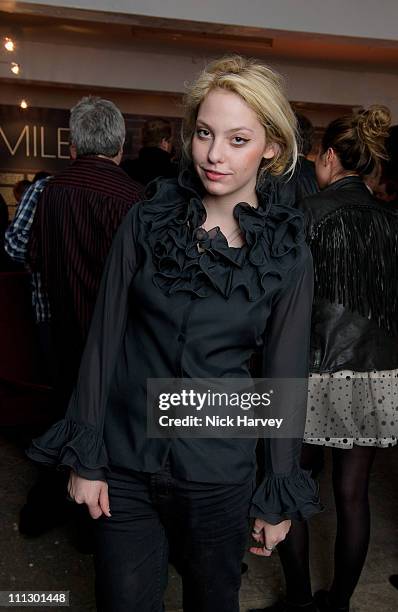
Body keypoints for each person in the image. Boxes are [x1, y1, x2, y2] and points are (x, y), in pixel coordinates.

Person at [28, 56, 321, 612]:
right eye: (205, 134)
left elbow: (285, 376)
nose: (215, 154)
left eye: (238, 139)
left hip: (218, 474)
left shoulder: (287, 255)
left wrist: (277, 493)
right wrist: (86, 455)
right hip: (125, 464)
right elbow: (104, 339)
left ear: (272, 148)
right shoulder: (146, 219)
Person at [252, 106, 398, 612]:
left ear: (330, 157)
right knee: (353, 497)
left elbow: (280, 304)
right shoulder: (393, 222)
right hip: (376, 375)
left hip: (313, 372)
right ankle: (337, 603)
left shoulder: (306, 215)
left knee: (291, 486)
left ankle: (296, 601)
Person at [10, 97, 143, 541]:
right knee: (103, 426)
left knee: (61, 414)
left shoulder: (45, 191)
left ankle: (50, 507)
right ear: (120, 145)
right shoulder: (135, 200)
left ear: (72, 147)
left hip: (55, 327)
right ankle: (92, 523)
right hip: (114, 339)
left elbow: (17, 251)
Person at [121, 118, 178, 185]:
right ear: (164, 142)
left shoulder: (126, 167)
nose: (172, 145)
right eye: (170, 141)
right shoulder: (175, 173)